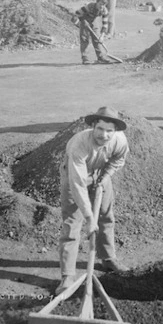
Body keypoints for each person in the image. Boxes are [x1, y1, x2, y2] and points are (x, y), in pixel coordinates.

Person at [56, 106, 130, 295]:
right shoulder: (79, 145)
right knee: (72, 224)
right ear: (93, 126)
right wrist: (89, 217)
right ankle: (67, 276)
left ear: (115, 131)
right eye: (100, 129)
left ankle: (108, 258)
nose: (104, 135)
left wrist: (106, 176)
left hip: (100, 173)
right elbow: (78, 184)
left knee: (106, 216)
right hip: (74, 176)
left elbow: (118, 160)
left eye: (109, 131)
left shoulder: (120, 141)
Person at [74, 0, 111, 65]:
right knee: (84, 40)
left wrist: (102, 36)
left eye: (103, 5)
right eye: (100, 4)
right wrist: (83, 21)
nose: (102, 6)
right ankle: (85, 58)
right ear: (96, 3)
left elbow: (105, 24)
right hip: (85, 21)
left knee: (97, 39)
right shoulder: (89, 6)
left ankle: (101, 57)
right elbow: (77, 13)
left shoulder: (105, 11)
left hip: (94, 22)